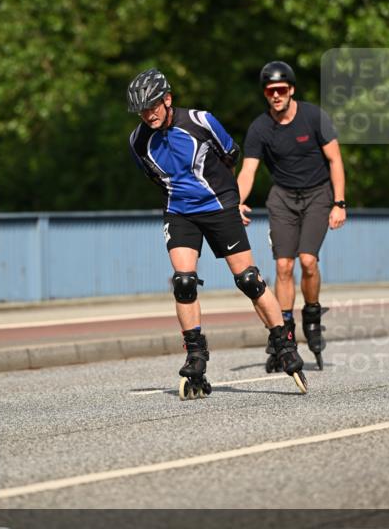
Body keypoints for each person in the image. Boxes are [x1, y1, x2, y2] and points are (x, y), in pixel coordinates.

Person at [127, 67, 308, 397]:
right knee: (183, 282)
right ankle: (196, 355)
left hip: (220, 206)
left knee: (249, 280)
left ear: (168, 99)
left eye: (153, 105)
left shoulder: (201, 121)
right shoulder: (138, 141)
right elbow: (156, 177)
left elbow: (230, 156)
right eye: (142, 110)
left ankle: (283, 343)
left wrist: (233, 201)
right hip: (180, 211)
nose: (148, 114)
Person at [236, 61, 347, 370]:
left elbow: (335, 161)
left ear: (291, 90)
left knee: (308, 261)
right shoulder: (260, 128)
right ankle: (284, 331)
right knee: (283, 266)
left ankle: (311, 312)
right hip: (282, 198)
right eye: (270, 91)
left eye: (281, 90)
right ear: (265, 94)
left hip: (318, 194)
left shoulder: (314, 117)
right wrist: (235, 202)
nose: (276, 95)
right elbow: (249, 170)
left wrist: (339, 203)